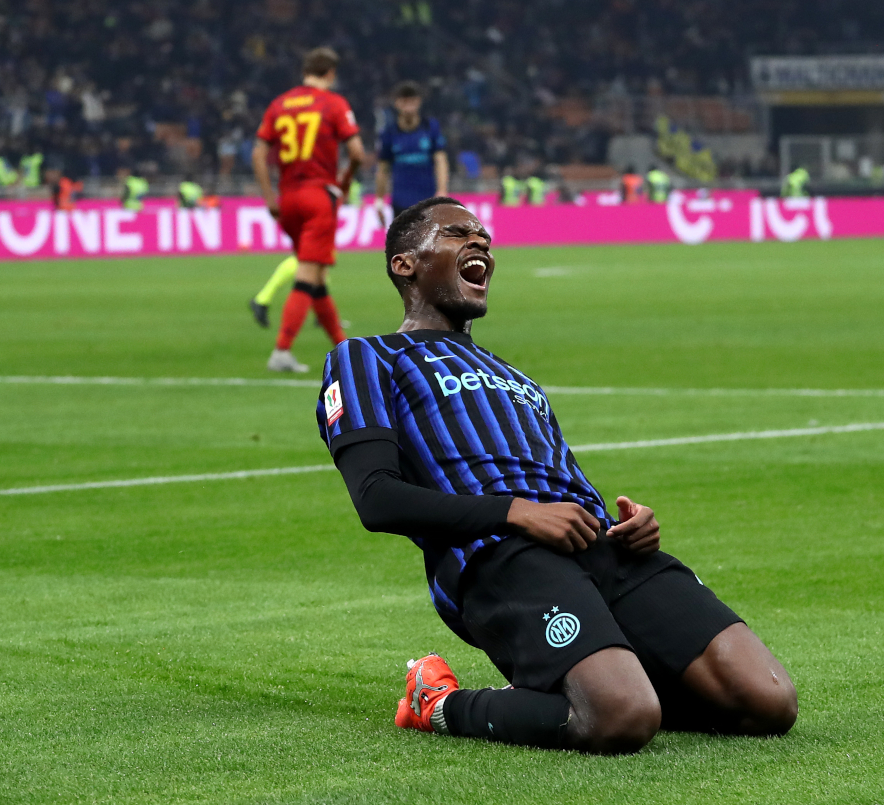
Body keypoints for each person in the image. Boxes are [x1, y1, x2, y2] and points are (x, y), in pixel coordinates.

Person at [316, 197, 798, 754]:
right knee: (620, 718)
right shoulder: (366, 358)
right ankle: (437, 703)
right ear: (405, 264)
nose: (480, 244)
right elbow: (376, 499)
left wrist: (631, 522)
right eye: (457, 234)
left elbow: (562, 481)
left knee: (768, 701)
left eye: (485, 238)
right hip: (500, 554)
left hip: (601, 545)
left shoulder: (513, 375)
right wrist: (516, 513)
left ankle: (609, 677)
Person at [252, 46, 365, 373]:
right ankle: (281, 350)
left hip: (288, 200)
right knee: (308, 275)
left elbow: (259, 153)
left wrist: (269, 197)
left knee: (314, 278)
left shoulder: (279, 104)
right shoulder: (333, 104)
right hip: (318, 197)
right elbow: (357, 152)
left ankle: (343, 348)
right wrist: (343, 184)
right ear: (331, 73)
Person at [374, 81, 448, 224]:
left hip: (429, 201)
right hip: (401, 203)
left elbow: (441, 161)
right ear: (397, 103)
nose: (408, 105)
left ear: (419, 102)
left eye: (412, 100)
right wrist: (379, 200)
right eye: (404, 101)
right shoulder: (389, 133)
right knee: (403, 246)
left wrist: (442, 190)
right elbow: (383, 169)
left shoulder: (430, 127)